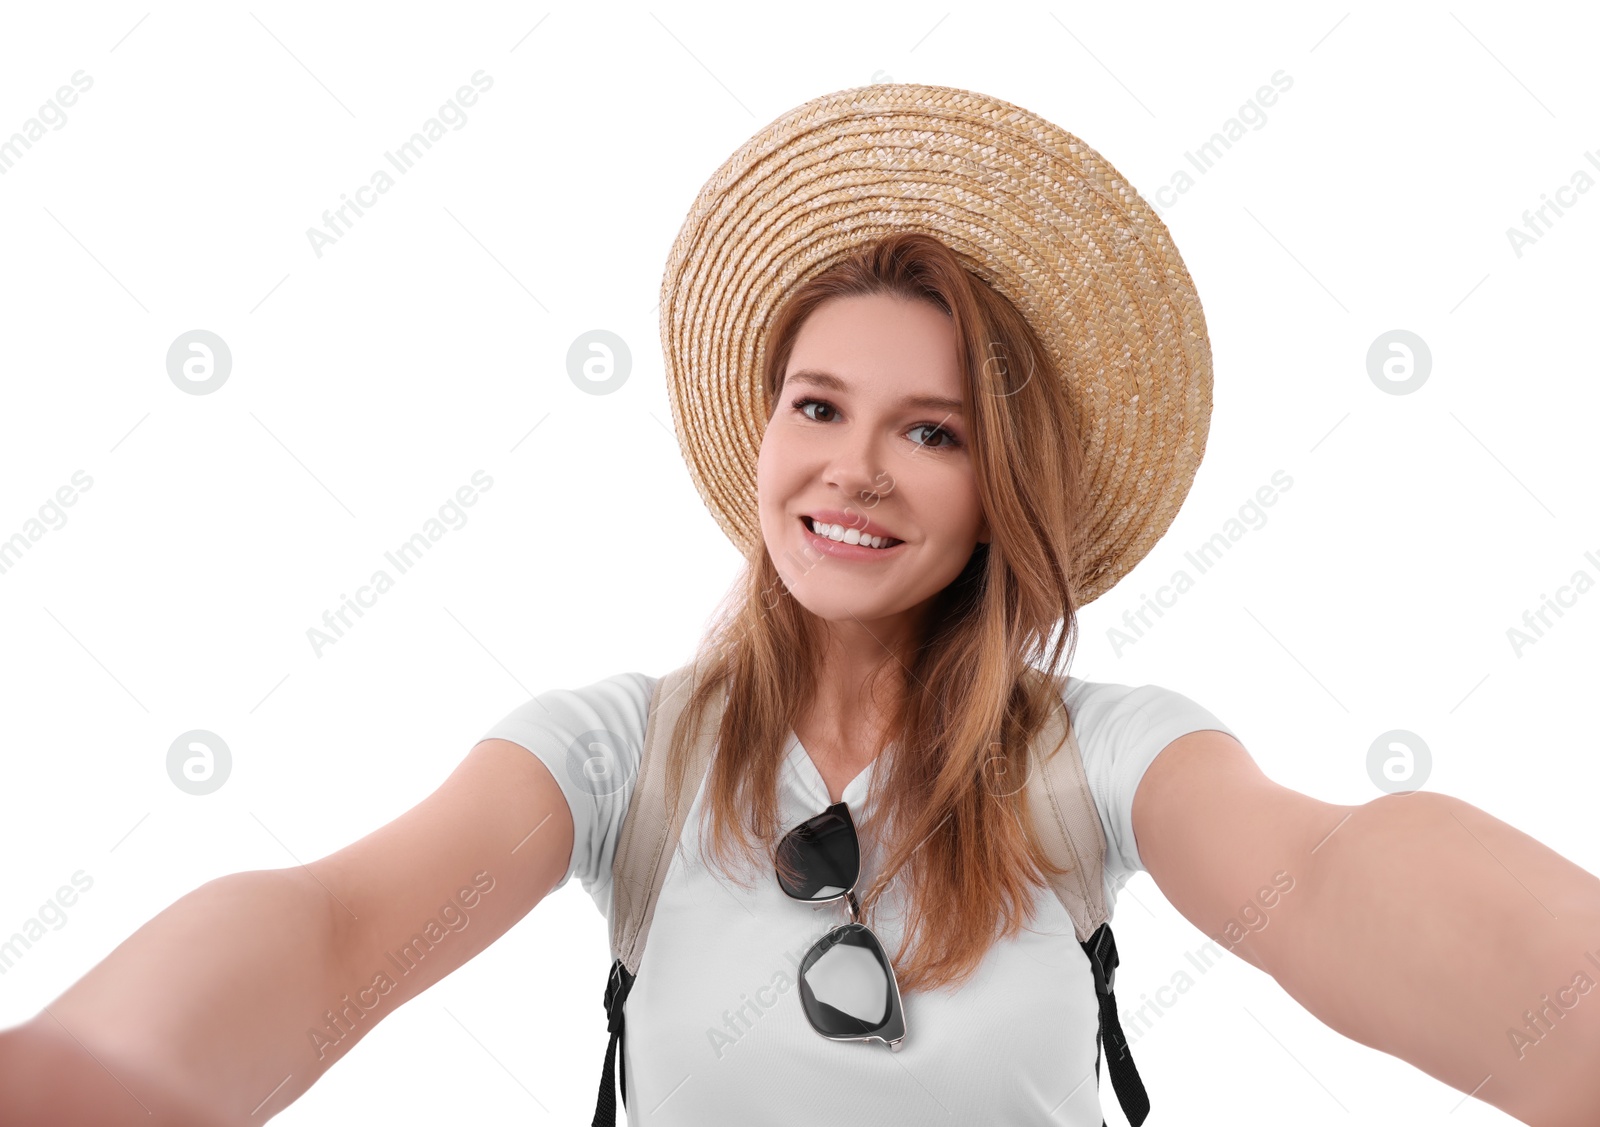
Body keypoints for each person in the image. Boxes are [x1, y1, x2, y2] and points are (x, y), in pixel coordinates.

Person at [3, 84, 1599, 1127]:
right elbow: (343, 919)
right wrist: (85, 1082)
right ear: (763, 432)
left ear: (1002, 489)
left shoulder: (1098, 756)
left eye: (933, 431)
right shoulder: (619, 750)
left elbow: (1321, 875)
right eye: (818, 406)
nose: (855, 472)